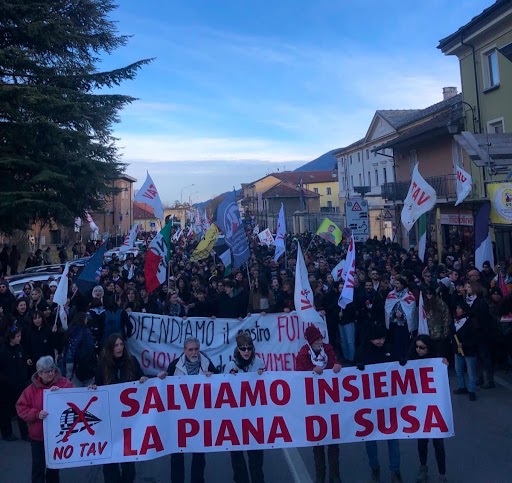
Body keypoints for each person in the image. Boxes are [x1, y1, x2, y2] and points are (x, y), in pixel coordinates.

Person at [158, 337, 218, 483]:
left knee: (199, 453)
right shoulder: (175, 365)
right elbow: (165, 387)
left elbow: (219, 383)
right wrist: (161, 378)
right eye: (190, 349)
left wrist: (213, 376)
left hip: (200, 416)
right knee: (177, 453)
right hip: (179, 417)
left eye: (196, 349)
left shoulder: (207, 363)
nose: (194, 352)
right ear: (184, 350)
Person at [90, 333, 148, 482]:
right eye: (116, 345)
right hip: (108, 418)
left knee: (128, 456)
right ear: (111, 348)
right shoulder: (103, 364)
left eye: (121, 344)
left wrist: (143, 380)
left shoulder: (132, 362)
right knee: (110, 457)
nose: (119, 348)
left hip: (128, 419)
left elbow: (142, 380)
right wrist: (94, 387)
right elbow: (99, 384)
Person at [355, 324, 402, 483]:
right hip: (370, 404)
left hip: (389, 403)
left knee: (393, 437)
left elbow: (403, 365)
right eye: (377, 339)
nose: (380, 341)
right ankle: (374, 466)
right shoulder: (363, 351)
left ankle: (395, 470)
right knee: (371, 438)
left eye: (382, 338)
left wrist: (403, 363)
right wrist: (358, 366)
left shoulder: (390, 348)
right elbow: (354, 374)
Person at [295, 325, 342, 483]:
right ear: (310, 341)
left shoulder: (328, 349)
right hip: (314, 404)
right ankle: (320, 477)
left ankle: (334, 476)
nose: (320, 342)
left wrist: (336, 365)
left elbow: (335, 362)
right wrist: (311, 370)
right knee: (318, 442)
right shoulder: (303, 354)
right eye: (317, 340)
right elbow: (299, 374)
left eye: (321, 339)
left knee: (333, 441)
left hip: (330, 401)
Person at [16, 355, 73, 483]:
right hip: (38, 437)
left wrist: (61, 394)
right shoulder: (30, 390)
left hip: (57, 437)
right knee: (38, 467)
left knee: (53, 468)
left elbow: (75, 396)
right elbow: (21, 407)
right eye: (47, 371)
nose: (51, 373)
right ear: (40, 373)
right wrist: (36, 414)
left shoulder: (63, 383)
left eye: (52, 369)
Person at [224, 333, 266, 483]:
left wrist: (263, 376)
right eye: (243, 348)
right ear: (238, 349)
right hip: (236, 417)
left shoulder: (259, 362)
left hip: (254, 416)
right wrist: (229, 377)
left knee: (256, 453)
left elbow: (266, 387)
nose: (246, 351)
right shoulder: (230, 366)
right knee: (237, 454)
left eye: (249, 348)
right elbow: (223, 390)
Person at [406, 335, 448, 483]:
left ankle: (442, 474)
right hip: (419, 408)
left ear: (429, 348)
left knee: (438, 442)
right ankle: (423, 468)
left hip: (434, 407)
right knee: (422, 442)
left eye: (422, 347)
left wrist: (444, 365)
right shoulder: (411, 361)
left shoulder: (437, 361)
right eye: (417, 346)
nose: (418, 350)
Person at [0, 327, 30, 441]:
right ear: (11, 338)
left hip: (19, 384)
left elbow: (22, 362)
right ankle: (7, 433)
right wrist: (6, 380)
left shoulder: (19, 348)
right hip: (5, 387)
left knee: (21, 409)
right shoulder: (3, 351)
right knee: (5, 411)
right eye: (17, 336)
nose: (20, 338)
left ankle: (25, 433)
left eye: (20, 336)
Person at [452, 303, 478, 401]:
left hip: (469, 351)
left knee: (471, 371)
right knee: (458, 369)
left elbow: (474, 338)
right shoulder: (455, 321)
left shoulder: (471, 322)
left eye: (459, 308)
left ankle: (472, 391)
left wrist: (464, 344)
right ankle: (462, 387)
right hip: (457, 350)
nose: (457, 309)